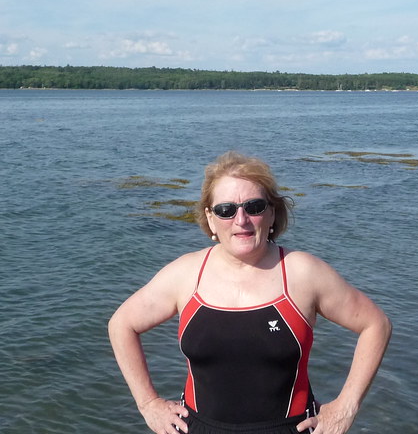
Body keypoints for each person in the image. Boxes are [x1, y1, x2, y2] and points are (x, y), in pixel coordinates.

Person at [108, 151, 392, 434]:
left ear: (271, 213)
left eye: (254, 207)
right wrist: (148, 403)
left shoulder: (302, 273)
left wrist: (346, 406)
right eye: (226, 210)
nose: (240, 219)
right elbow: (122, 324)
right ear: (210, 218)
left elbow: (375, 324)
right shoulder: (185, 274)